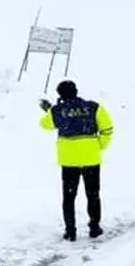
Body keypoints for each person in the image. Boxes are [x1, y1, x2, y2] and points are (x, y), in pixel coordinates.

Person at [39, 80, 114, 241]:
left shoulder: (58, 110)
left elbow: (44, 125)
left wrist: (51, 109)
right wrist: (100, 145)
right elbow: (107, 128)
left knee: (68, 197)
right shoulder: (94, 107)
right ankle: (94, 227)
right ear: (76, 91)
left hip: (69, 160)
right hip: (91, 158)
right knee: (93, 194)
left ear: (59, 94)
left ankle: (70, 231)